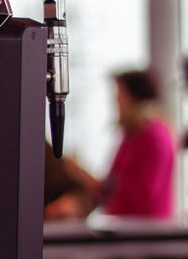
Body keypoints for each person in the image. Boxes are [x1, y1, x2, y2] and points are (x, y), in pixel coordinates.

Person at [45, 68, 177, 221]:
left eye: (119, 96)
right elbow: (112, 186)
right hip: (127, 227)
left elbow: (141, 192)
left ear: (133, 97)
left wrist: (92, 181)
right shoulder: (132, 136)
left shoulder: (154, 135)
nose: (116, 102)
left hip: (144, 231)